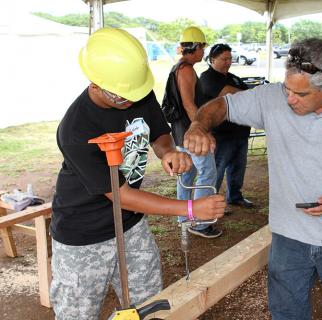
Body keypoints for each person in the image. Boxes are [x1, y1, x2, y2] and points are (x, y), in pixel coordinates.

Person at [183, 38, 322, 319]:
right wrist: (199, 124)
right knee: (287, 314)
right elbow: (221, 106)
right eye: (287, 89)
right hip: (288, 237)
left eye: (301, 94)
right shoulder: (272, 98)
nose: (289, 99)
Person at [50, 28, 225, 320]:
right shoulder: (76, 128)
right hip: (82, 236)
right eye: (122, 98)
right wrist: (190, 208)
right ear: (96, 83)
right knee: (77, 314)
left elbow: (159, 133)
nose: (131, 102)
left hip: (130, 228)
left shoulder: (134, 91)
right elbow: (122, 196)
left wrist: (168, 152)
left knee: (149, 303)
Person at [170, 26, 222, 238]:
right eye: (202, 47)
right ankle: (200, 222)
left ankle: (185, 217)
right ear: (195, 47)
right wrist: (203, 131)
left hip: (182, 130)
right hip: (190, 131)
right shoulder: (186, 70)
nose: (203, 52)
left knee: (188, 174)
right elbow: (189, 105)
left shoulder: (179, 68)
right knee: (207, 172)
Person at [200, 43, 254, 210]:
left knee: (238, 168)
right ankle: (210, 203)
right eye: (224, 59)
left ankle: (235, 196)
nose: (228, 62)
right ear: (212, 59)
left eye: (230, 58)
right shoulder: (207, 77)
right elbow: (228, 92)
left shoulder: (233, 77)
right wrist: (249, 93)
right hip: (221, 134)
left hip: (240, 132)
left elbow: (246, 92)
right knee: (216, 171)